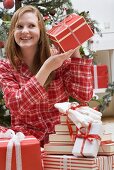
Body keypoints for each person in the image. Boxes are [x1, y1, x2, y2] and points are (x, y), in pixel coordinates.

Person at [0, 5, 93, 147]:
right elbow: (17, 106)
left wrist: (74, 49)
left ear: (40, 30)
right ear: (13, 32)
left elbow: (84, 95)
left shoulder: (58, 58)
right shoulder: (6, 67)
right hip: (28, 143)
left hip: (60, 139)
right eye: (19, 26)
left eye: (31, 25)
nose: (25, 31)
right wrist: (48, 67)